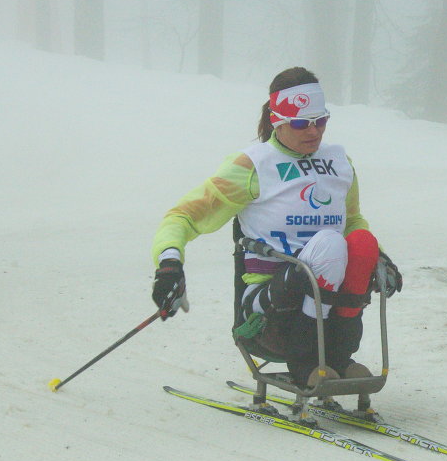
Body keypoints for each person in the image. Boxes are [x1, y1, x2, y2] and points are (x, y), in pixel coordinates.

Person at [149, 66, 401, 394]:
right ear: (277, 120)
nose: (313, 132)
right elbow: (182, 216)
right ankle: (305, 361)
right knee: (329, 244)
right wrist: (169, 265)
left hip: (329, 290)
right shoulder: (253, 166)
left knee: (359, 243)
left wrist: (379, 258)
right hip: (270, 307)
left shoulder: (339, 163)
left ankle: (338, 356)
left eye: (320, 121)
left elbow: (352, 221)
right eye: (300, 123)